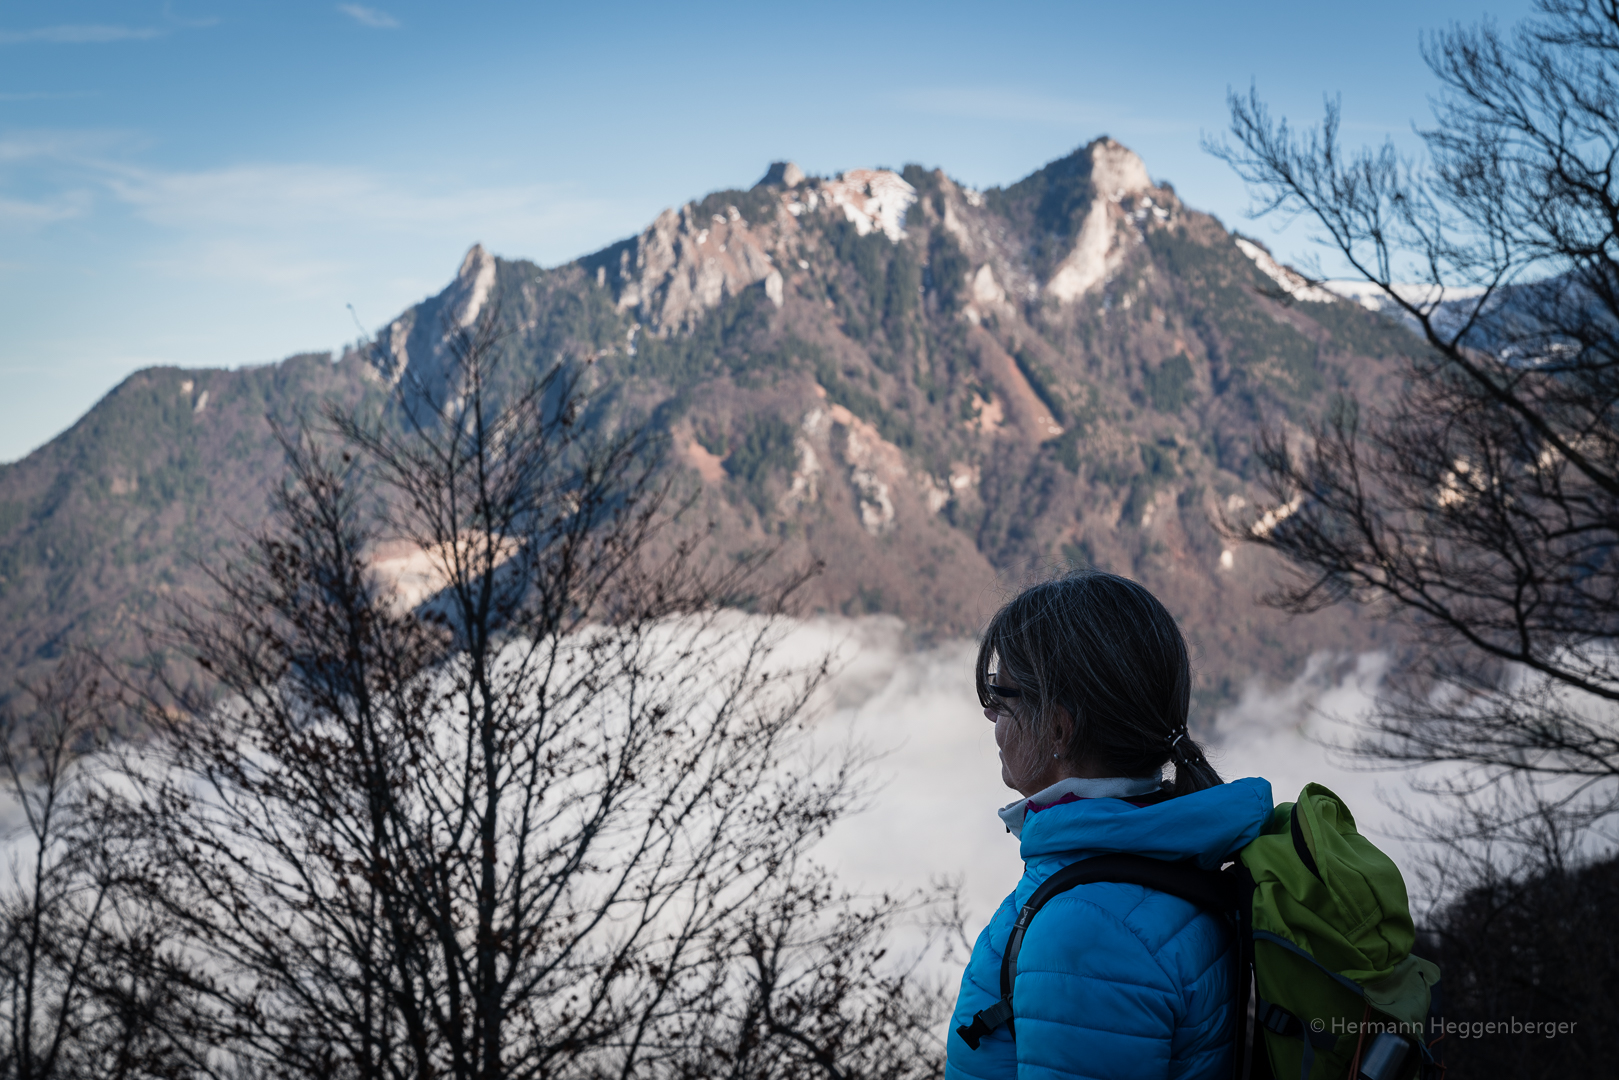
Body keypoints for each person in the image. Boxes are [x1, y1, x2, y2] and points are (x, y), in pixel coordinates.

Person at [946, 570, 1274, 1080]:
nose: (991, 716)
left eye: (1000, 694)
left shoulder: (1087, 934)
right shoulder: (1172, 853)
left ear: (1058, 727)